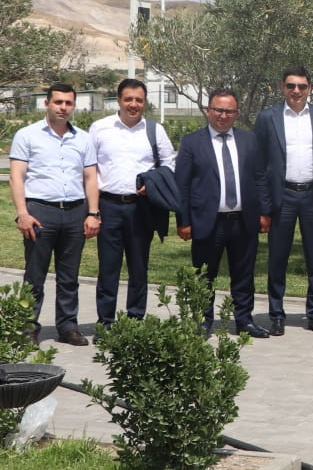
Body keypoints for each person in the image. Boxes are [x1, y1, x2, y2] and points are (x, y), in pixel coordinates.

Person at [8, 83, 100, 345]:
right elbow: (16, 176)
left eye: (68, 103)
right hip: (40, 212)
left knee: (69, 277)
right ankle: (27, 328)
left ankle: (68, 327)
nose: (63, 107)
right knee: (34, 275)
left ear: (74, 106)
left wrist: (93, 213)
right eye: (58, 102)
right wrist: (22, 213)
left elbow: (90, 178)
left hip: (74, 212)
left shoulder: (83, 139)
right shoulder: (27, 135)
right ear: (46, 103)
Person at [175, 89, 271, 336]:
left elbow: (260, 178)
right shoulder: (192, 142)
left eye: (229, 111)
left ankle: (244, 320)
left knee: (244, 275)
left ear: (236, 113)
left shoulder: (249, 140)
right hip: (208, 221)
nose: (223, 115)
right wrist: (183, 221)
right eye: (218, 110)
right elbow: (182, 185)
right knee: (204, 275)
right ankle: (202, 321)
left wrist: (264, 212)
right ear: (209, 110)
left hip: (243, 220)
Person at [89, 77, 176, 332]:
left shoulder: (155, 130)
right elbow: (89, 168)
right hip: (109, 206)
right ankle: (106, 323)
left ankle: (135, 322)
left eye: (139, 100)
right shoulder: (100, 128)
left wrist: (154, 184)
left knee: (139, 267)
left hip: (141, 208)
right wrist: (92, 210)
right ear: (118, 100)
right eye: (128, 99)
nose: (133, 104)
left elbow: (169, 164)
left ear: (145, 102)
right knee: (108, 268)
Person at [254, 66, 313, 335]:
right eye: (291, 86)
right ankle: (276, 315)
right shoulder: (268, 117)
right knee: (278, 259)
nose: (296, 91)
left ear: (310, 88)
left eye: (301, 86)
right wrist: (264, 205)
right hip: (283, 196)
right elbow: (260, 165)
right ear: (282, 88)